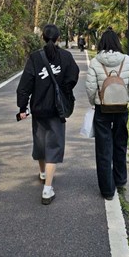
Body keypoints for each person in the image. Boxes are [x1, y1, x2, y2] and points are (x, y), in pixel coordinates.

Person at [16, 24, 79, 205]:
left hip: (38, 108)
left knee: (40, 143)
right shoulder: (66, 57)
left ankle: (43, 173)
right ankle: (47, 189)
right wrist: (63, 91)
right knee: (54, 145)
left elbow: (24, 86)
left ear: (42, 37)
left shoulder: (35, 57)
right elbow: (73, 77)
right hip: (57, 110)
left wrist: (22, 107)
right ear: (58, 38)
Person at [85, 28, 129, 200]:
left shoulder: (96, 62)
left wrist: (95, 102)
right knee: (120, 143)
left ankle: (107, 190)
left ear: (101, 43)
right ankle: (120, 179)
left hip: (103, 109)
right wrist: (126, 98)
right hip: (122, 108)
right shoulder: (127, 60)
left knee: (103, 148)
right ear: (117, 42)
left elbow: (90, 87)